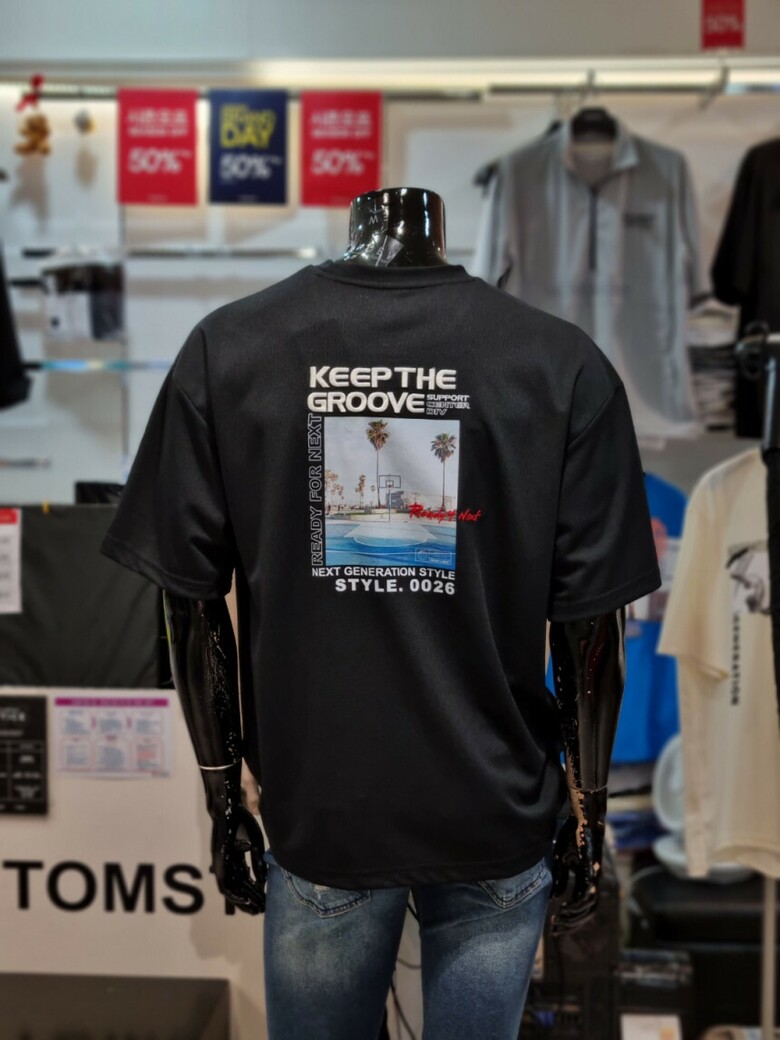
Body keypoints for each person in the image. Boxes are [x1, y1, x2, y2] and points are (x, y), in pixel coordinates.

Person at [101, 187, 660, 1040]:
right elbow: (592, 627)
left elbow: (189, 599)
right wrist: (589, 810)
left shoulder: (232, 349)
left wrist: (223, 797)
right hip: (497, 807)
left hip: (324, 808)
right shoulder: (560, 364)